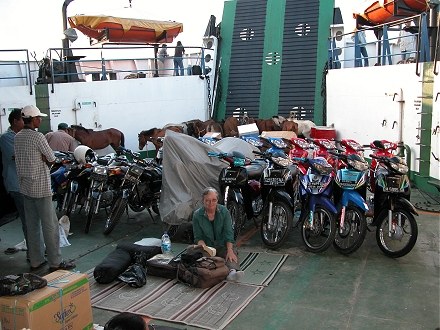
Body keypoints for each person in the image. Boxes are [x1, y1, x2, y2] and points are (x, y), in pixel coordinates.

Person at [14, 105, 75, 272]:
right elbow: (51, 159)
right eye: (38, 118)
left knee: (32, 226)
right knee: (50, 226)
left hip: (25, 187)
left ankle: (36, 261)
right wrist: (45, 158)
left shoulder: (17, 136)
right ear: (32, 119)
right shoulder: (38, 137)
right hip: (41, 188)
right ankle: (55, 262)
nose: (40, 120)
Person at [192, 187, 244, 282]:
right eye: (207, 200)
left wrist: (229, 250)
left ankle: (232, 272)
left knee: (231, 253)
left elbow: (228, 233)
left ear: (217, 200)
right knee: (196, 252)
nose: (211, 203)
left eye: (214, 200)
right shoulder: (197, 215)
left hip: (222, 245)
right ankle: (218, 270)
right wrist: (202, 245)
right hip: (207, 247)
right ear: (203, 201)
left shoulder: (224, 211)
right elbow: (198, 236)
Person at [0, 109, 29, 257]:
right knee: (27, 219)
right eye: (23, 120)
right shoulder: (6, 138)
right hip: (16, 184)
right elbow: (18, 157)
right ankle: (33, 252)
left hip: (26, 183)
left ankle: (34, 249)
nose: (25, 123)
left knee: (31, 219)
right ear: (15, 121)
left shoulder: (22, 136)